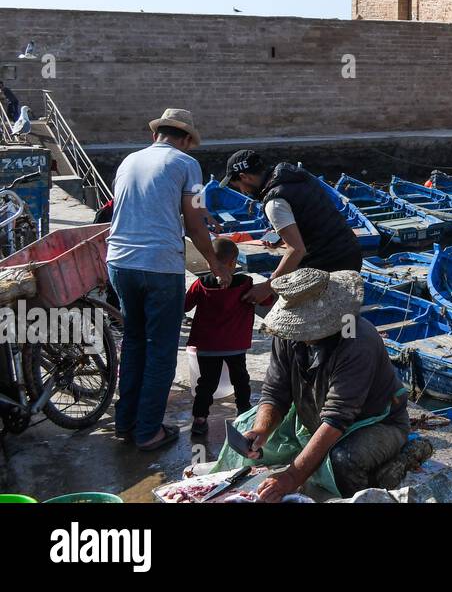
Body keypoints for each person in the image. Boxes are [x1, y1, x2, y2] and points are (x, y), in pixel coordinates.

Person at [106, 108, 218, 451]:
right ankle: (149, 431)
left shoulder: (130, 160)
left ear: (157, 134)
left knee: (136, 342)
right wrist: (216, 263)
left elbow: (149, 205)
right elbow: (195, 223)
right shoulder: (187, 164)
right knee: (161, 350)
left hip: (119, 262)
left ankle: (126, 423)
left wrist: (197, 214)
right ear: (184, 139)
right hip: (158, 265)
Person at [245, 268, 411, 500]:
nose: (297, 332)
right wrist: (261, 430)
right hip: (315, 415)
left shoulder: (357, 340)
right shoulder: (287, 335)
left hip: (377, 423)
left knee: (343, 461)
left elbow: (336, 418)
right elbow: (275, 392)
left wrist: (293, 476)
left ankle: (387, 470)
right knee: (248, 435)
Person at [221, 151, 362, 304]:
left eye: (239, 186)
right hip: (351, 251)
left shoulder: (274, 202)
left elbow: (296, 250)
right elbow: (310, 215)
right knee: (343, 311)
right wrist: (283, 236)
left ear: (244, 177)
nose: (243, 192)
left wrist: (268, 286)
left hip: (328, 263)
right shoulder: (294, 175)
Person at [184, 237, 254, 435]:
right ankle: (244, 410)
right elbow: (265, 299)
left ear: (209, 262)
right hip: (235, 345)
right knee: (240, 378)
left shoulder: (200, 283)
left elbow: (185, 305)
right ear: (234, 263)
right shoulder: (245, 283)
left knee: (206, 383)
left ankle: (199, 418)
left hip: (207, 346)